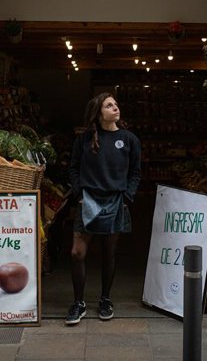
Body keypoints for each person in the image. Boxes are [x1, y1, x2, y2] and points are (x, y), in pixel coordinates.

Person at [65, 92, 141, 325]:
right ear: (99, 113)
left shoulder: (129, 139)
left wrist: (127, 197)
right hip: (87, 200)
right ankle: (78, 303)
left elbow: (135, 173)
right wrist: (79, 194)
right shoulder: (85, 139)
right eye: (109, 106)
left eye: (116, 104)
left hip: (116, 201)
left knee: (109, 253)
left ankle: (105, 299)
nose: (115, 108)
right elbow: (73, 168)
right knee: (77, 253)